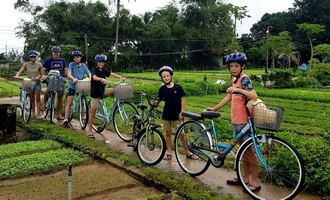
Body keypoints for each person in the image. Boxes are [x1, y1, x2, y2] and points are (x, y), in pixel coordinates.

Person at [206, 52, 261, 192]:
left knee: (248, 152)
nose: (234, 68)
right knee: (243, 152)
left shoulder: (244, 79)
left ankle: (255, 181)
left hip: (244, 121)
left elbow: (254, 95)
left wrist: (238, 90)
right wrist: (214, 108)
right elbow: (228, 98)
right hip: (237, 120)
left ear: (242, 66)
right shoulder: (235, 80)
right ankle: (244, 178)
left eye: (236, 66)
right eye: (231, 66)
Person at [157, 66, 197, 160]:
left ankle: (187, 151)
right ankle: (169, 152)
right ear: (162, 78)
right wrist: (156, 102)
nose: (166, 77)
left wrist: (182, 112)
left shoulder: (178, 87)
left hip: (177, 115)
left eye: (167, 75)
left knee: (182, 134)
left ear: (171, 76)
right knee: (168, 133)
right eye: (164, 76)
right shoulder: (162, 89)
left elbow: (183, 99)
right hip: (166, 114)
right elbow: (159, 100)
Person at [87, 54, 126, 138]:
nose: (101, 63)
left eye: (102, 62)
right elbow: (94, 77)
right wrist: (101, 79)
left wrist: (121, 77)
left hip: (103, 91)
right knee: (92, 113)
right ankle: (90, 130)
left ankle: (118, 106)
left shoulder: (104, 70)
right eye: (99, 62)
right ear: (97, 62)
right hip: (95, 93)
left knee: (116, 89)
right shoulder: (94, 69)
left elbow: (111, 74)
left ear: (104, 63)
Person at [62, 51, 91, 128]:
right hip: (73, 84)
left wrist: (91, 78)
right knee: (69, 101)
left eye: (78, 57)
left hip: (81, 85)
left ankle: (84, 116)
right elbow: (69, 73)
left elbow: (89, 73)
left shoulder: (84, 65)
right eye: (75, 57)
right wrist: (73, 78)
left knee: (83, 100)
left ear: (80, 58)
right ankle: (65, 120)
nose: (76, 59)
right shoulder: (71, 64)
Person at [42, 46, 67, 121]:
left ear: (59, 53)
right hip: (51, 79)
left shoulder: (62, 60)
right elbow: (43, 69)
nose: (56, 53)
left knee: (60, 96)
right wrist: (44, 76)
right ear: (52, 53)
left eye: (57, 52)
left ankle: (58, 114)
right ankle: (44, 103)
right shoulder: (48, 60)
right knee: (48, 90)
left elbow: (65, 69)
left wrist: (69, 76)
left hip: (60, 79)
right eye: (54, 52)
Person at [15, 50, 43, 119]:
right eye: (31, 57)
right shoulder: (26, 64)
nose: (33, 58)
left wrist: (38, 77)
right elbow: (21, 70)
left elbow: (42, 74)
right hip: (29, 83)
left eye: (34, 56)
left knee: (37, 98)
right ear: (29, 57)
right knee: (32, 98)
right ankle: (33, 113)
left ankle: (38, 114)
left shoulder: (39, 64)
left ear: (36, 57)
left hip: (37, 83)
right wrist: (17, 75)